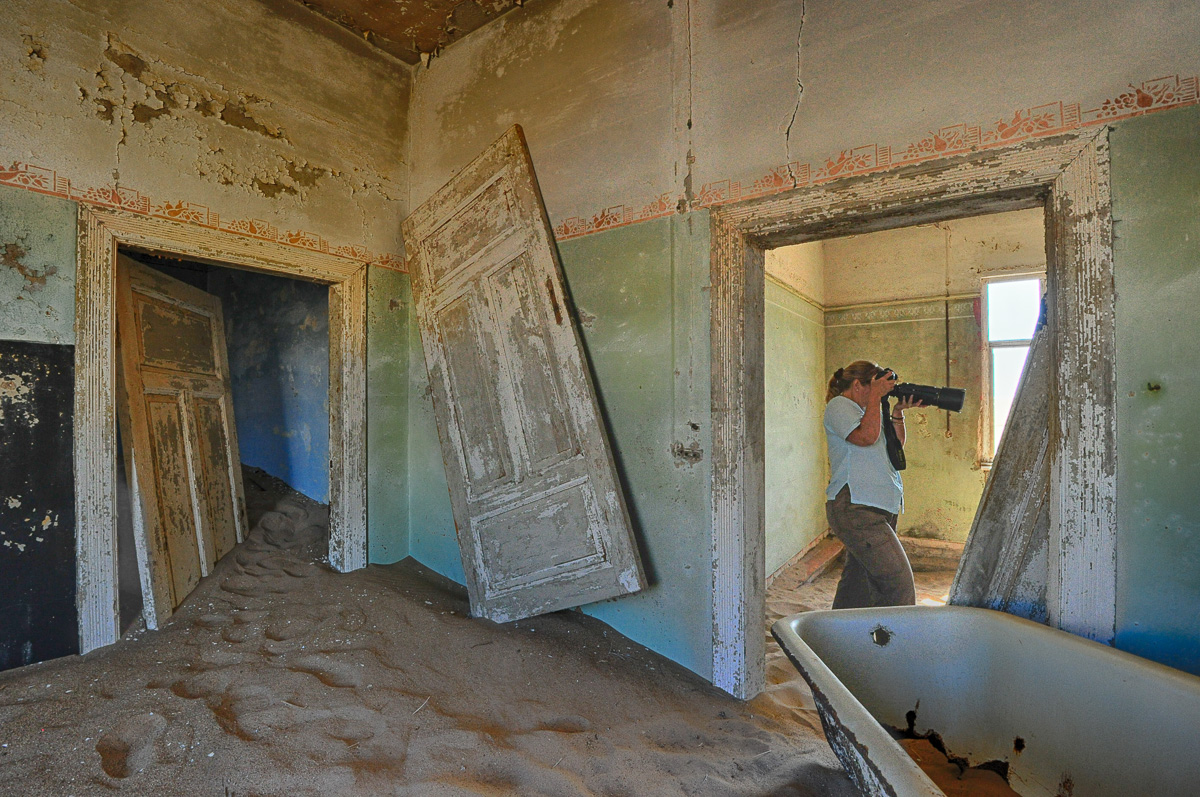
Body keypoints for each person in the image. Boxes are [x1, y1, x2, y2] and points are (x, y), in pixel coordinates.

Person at [823, 360, 922, 609]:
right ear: (858, 385)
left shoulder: (871, 412)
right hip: (857, 508)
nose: (882, 392)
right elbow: (865, 438)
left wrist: (897, 411)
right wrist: (877, 399)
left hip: (877, 507)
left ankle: (838, 638)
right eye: (875, 386)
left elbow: (895, 446)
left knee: (858, 584)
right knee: (897, 583)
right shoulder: (839, 406)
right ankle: (897, 642)